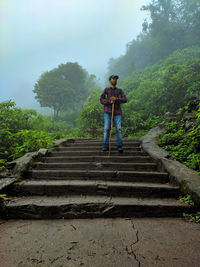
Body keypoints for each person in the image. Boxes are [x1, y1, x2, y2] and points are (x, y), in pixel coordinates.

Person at [100, 74, 127, 152]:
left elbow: (125, 99)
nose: (115, 80)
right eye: (113, 79)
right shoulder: (106, 90)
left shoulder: (120, 90)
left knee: (118, 129)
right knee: (106, 128)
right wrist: (109, 101)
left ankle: (119, 146)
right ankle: (105, 145)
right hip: (107, 112)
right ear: (110, 80)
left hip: (117, 112)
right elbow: (101, 100)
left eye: (116, 79)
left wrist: (116, 99)